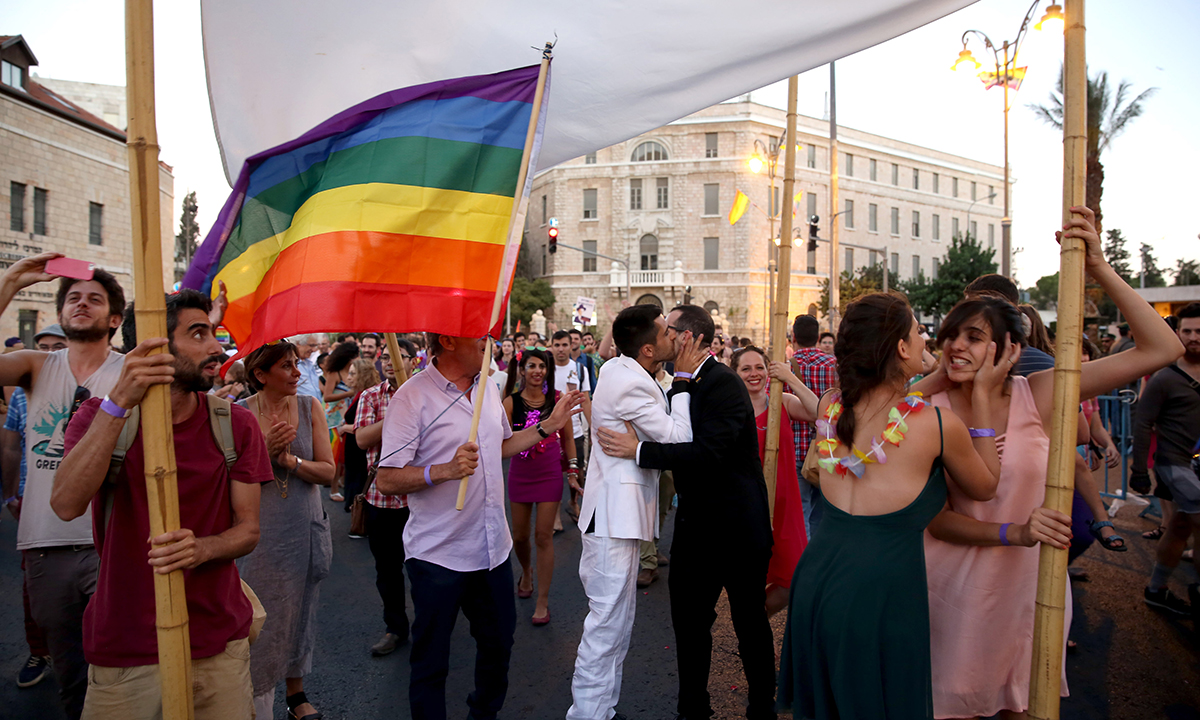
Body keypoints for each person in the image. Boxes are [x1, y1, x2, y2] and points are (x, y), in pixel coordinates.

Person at [920, 207, 1183, 720]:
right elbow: (930, 511)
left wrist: (1100, 269)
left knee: (1024, 708)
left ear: (1011, 349)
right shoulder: (930, 407)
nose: (956, 345)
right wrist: (940, 382)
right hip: (950, 593)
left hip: (1029, 588)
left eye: (974, 337)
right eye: (951, 335)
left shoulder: (1039, 393)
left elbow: (1162, 346)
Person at [778, 291, 1005, 720]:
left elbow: (888, 401)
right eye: (918, 331)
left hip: (818, 581)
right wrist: (984, 401)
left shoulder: (831, 407)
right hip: (881, 595)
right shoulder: (938, 425)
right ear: (901, 347)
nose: (926, 339)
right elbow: (986, 487)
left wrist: (934, 379)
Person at [52, 289, 272, 719]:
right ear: (152, 346)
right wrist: (118, 405)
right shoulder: (97, 416)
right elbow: (65, 504)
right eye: (198, 334)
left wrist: (202, 548)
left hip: (218, 647)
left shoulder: (236, 424)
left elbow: (249, 530)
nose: (216, 348)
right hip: (125, 650)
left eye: (212, 333)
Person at [374, 332, 583, 720]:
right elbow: (386, 478)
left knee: (498, 646)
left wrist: (547, 426)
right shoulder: (412, 397)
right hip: (438, 556)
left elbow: (500, 445)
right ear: (449, 341)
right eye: (480, 338)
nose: (491, 345)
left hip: (493, 550)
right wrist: (443, 471)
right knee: (431, 661)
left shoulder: (489, 387)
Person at [598, 304, 776, 720]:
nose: (663, 334)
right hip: (696, 528)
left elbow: (707, 454)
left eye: (669, 329)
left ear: (690, 338)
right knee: (690, 627)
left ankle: (762, 707)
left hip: (737, 529)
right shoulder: (673, 381)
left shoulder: (723, 384)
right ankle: (693, 709)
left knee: (750, 624)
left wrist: (638, 451)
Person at [0, 254, 128, 719]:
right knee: (72, 680)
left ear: (114, 318)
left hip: (110, 544)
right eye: (73, 298)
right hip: (45, 545)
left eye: (95, 299)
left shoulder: (129, 370)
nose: (81, 304)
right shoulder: (35, 365)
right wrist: (11, 282)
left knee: (123, 670)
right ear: (59, 313)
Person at [567, 304, 703, 720]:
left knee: (616, 623)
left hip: (614, 515)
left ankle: (601, 709)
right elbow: (680, 436)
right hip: (613, 517)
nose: (674, 338)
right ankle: (587, 714)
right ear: (647, 348)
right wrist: (681, 379)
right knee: (607, 624)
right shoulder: (630, 382)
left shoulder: (618, 369)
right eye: (665, 333)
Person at [237, 341, 336, 720]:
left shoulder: (311, 408)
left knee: (301, 612)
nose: (298, 372)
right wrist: (263, 452)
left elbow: (328, 473)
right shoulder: (239, 415)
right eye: (286, 366)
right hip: (260, 532)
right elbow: (229, 478)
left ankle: (296, 696)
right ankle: (257, 697)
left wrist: (289, 461)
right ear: (261, 375)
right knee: (260, 617)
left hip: (305, 526)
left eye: (296, 364)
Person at [730, 346, 819, 616]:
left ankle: (753, 620)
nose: (754, 374)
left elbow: (820, 412)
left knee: (794, 579)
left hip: (785, 505)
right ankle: (752, 635)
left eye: (759, 367)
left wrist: (790, 378)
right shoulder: (729, 408)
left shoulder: (781, 401)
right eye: (746, 369)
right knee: (746, 579)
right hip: (746, 507)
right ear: (735, 373)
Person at [1135, 302, 1200, 618]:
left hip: (1194, 463)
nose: (1192, 337)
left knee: (1179, 525)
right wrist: (1138, 471)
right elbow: (1143, 422)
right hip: (1175, 463)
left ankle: (1156, 589)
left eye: (1199, 331)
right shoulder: (1165, 377)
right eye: (1186, 331)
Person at [502, 349, 576, 624]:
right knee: (519, 536)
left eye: (541, 366)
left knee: (543, 536)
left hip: (549, 475)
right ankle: (526, 570)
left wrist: (573, 470)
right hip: (520, 474)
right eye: (531, 366)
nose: (537, 371)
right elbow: (501, 441)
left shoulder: (557, 400)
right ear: (521, 370)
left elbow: (568, 438)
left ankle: (542, 601)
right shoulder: (510, 403)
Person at [354, 339, 417, 655]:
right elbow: (362, 438)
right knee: (388, 570)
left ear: (413, 361)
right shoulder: (371, 396)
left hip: (421, 500)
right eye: (386, 357)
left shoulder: (424, 393)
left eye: (399, 356)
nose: (391, 362)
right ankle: (395, 627)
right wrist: (395, 413)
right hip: (382, 500)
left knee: (423, 568)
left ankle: (429, 624)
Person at [790, 314, 838, 539]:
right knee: (824, 516)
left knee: (800, 514)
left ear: (793, 337)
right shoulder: (835, 367)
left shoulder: (784, 369)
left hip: (795, 449)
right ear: (818, 337)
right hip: (829, 449)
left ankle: (803, 565)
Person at [552, 330, 591, 522]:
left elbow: (586, 401)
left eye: (564, 345)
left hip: (575, 431)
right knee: (554, 475)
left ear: (571, 346)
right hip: (551, 433)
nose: (560, 349)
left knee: (578, 472)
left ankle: (573, 502)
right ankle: (556, 513)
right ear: (552, 347)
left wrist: (593, 428)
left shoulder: (580, 369)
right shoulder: (545, 369)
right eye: (557, 345)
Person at [339, 357, 381, 512]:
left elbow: (365, 426)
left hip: (359, 453)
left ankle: (358, 524)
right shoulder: (358, 394)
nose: (348, 377)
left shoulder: (367, 396)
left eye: (352, 373)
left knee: (358, 487)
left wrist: (345, 428)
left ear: (362, 376)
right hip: (353, 451)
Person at [322, 341, 359, 502]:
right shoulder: (334, 373)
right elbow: (327, 396)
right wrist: (349, 393)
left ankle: (341, 482)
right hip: (333, 419)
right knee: (335, 455)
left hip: (347, 416)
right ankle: (333, 489)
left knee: (344, 455)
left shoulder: (352, 371)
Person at [291, 334, 324, 400]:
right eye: (311, 345)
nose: (314, 350)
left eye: (315, 345)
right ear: (298, 343)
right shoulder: (292, 365)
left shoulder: (309, 363)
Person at [569, 328, 599, 395]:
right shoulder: (564, 359)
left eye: (576, 339)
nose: (573, 341)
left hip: (584, 398)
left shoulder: (588, 360)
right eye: (571, 339)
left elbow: (592, 382)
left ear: (581, 341)